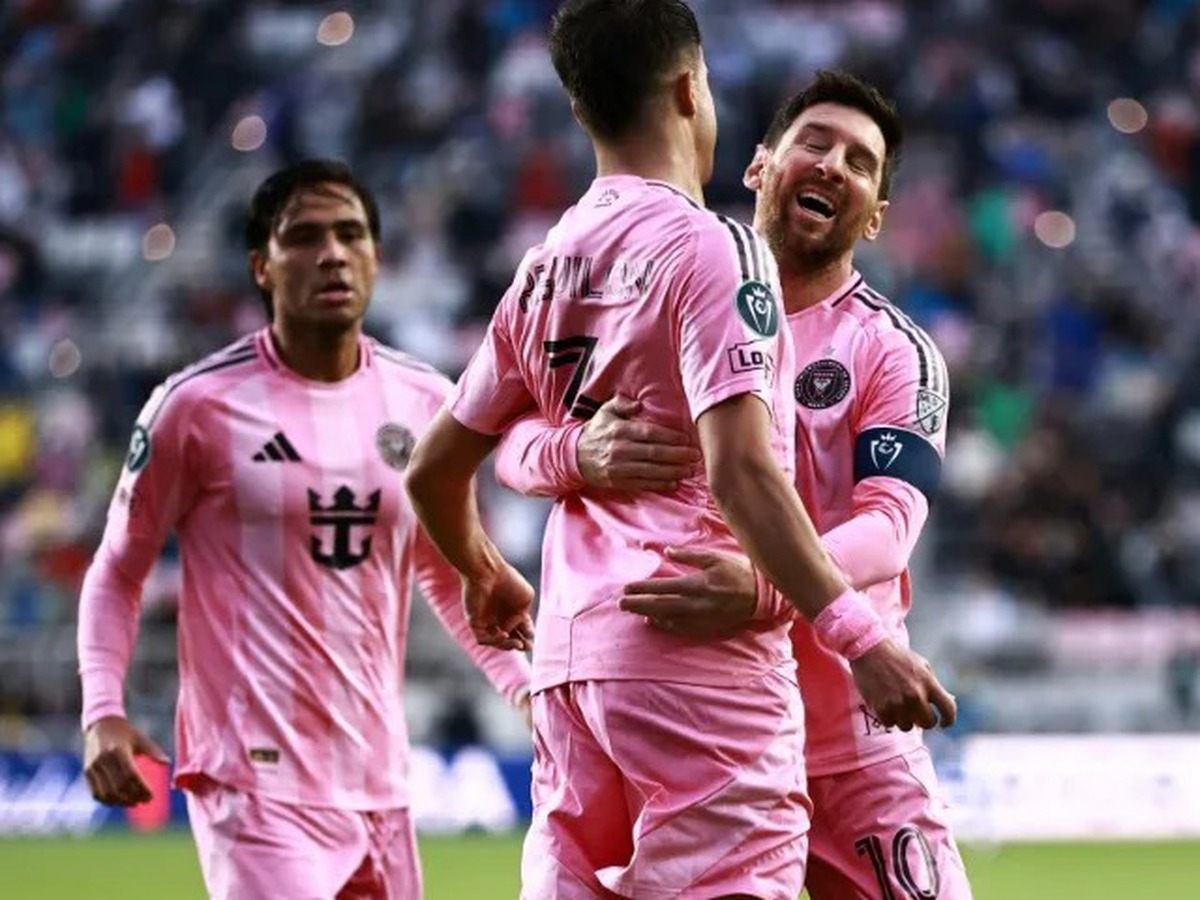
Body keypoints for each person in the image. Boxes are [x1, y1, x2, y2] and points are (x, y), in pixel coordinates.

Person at [405, 3, 955, 896]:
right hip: (710, 690)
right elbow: (520, 444)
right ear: (757, 164)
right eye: (815, 144)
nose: (833, 166)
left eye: (861, 163)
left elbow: (889, 531)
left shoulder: (892, 350)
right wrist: (575, 453)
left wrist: (766, 585)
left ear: (877, 218)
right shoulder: (701, 266)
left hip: (849, 735)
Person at [76, 159, 531, 900]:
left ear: (377, 257)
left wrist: (524, 689)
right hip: (252, 781)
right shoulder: (195, 406)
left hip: (379, 781)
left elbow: (450, 573)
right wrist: (102, 710)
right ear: (262, 265)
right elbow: (118, 569)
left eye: (351, 234)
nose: (332, 254)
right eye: (305, 237)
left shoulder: (426, 402)